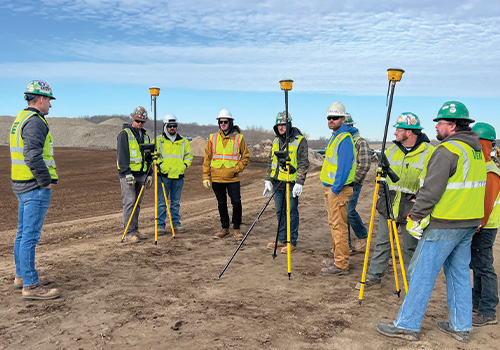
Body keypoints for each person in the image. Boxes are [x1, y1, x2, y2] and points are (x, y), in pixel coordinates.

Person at [377, 101, 487, 343]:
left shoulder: (448, 151)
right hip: (469, 222)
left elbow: (431, 190)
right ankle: (461, 326)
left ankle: (407, 325)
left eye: (441, 122)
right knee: (458, 273)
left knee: (421, 273)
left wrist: (415, 215)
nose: (436, 126)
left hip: (445, 223)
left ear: (453, 125)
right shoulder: (476, 151)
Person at [356, 113, 434, 290]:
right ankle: (373, 277)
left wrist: (420, 200)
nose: (395, 133)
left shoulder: (430, 153)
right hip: (389, 205)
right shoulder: (390, 151)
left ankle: (412, 283)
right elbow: (382, 179)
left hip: (413, 209)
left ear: (409, 132)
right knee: (383, 243)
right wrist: (382, 198)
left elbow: (433, 181)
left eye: (398, 129)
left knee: (411, 249)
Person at [10, 80, 61, 300]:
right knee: (30, 236)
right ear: (41, 99)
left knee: (23, 234)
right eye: (49, 100)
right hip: (34, 186)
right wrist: (45, 180)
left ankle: (21, 276)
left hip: (22, 184)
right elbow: (32, 155)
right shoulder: (35, 122)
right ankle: (30, 285)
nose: (50, 104)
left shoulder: (21, 118)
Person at [319, 102, 357, 276]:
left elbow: (343, 168)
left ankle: (341, 264)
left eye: (334, 118)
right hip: (332, 189)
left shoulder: (344, 139)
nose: (331, 120)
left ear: (343, 119)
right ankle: (337, 258)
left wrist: (335, 189)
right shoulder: (335, 136)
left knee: (339, 227)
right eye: (329, 118)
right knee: (334, 225)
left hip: (338, 190)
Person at [263, 111, 309, 253]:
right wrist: (267, 180)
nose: (280, 127)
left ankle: (292, 241)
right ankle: (282, 239)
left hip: (291, 182)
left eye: (283, 125)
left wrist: (299, 182)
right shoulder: (276, 141)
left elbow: (303, 163)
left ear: (288, 124)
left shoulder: (299, 140)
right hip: (278, 183)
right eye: (278, 125)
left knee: (291, 212)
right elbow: (272, 162)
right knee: (279, 211)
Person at [203, 109, 250, 240]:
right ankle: (225, 228)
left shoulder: (239, 138)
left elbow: (245, 157)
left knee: (236, 202)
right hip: (217, 177)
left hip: (232, 177)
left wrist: (237, 169)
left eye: (225, 121)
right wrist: (206, 176)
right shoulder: (213, 138)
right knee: (221, 203)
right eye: (220, 122)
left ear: (230, 122)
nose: (222, 124)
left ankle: (236, 229)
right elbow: (207, 158)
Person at [470, 122, 500, 326]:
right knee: (478, 265)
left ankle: (488, 311)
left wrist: (478, 225)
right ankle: (477, 302)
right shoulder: (481, 165)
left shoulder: (490, 170)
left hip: (485, 226)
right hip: (481, 224)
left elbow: (487, 204)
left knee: (484, 266)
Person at [117, 106, 153, 243]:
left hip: (141, 174)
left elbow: (148, 156)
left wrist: (149, 174)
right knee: (130, 202)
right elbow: (122, 155)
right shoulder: (125, 134)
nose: (140, 124)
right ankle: (128, 233)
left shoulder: (145, 136)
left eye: (142, 122)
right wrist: (127, 173)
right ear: (133, 119)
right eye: (138, 121)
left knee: (137, 203)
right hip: (128, 175)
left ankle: (135, 230)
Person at [156, 114, 193, 235]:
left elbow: (189, 155)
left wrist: (184, 166)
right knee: (162, 203)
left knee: (175, 202)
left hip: (178, 177)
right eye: (170, 126)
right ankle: (160, 226)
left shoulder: (183, 141)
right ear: (165, 126)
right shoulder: (158, 140)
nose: (172, 128)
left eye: (174, 126)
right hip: (163, 176)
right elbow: (153, 155)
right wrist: (160, 165)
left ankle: (176, 224)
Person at [344, 113, 371, 253]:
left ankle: (362, 237)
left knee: (349, 212)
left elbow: (365, 164)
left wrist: (354, 181)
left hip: (353, 183)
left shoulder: (360, 142)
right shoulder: (340, 140)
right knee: (341, 215)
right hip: (340, 184)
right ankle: (345, 245)